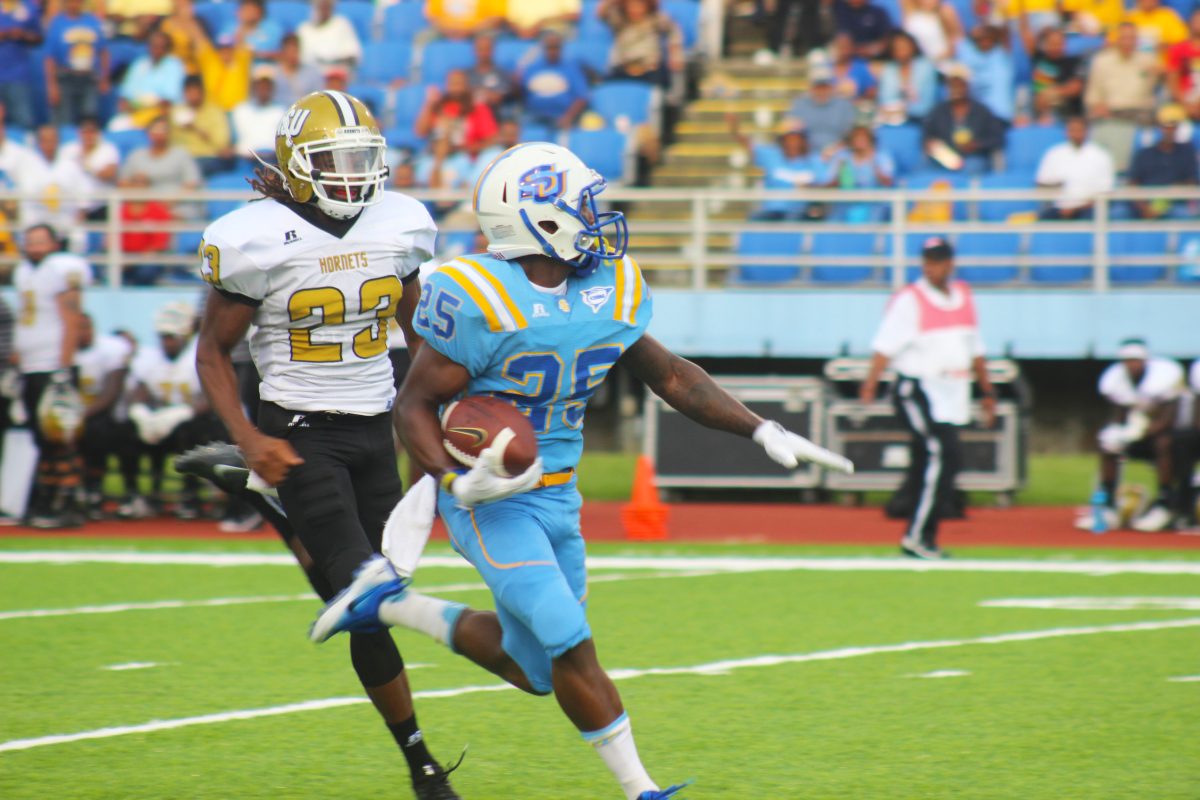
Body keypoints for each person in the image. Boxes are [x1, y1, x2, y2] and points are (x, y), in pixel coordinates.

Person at [307, 141, 854, 800]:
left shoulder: (608, 286)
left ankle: (392, 602)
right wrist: (455, 481)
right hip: (492, 499)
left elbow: (673, 376)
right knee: (570, 640)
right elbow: (416, 405)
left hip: (559, 498)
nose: (597, 215)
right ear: (538, 218)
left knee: (535, 667)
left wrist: (762, 428)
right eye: (582, 204)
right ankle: (643, 791)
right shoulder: (478, 294)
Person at [193, 90, 461, 800]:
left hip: (374, 421)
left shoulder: (402, 223)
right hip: (299, 429)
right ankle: (425, 760)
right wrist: (249, 439)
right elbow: (214, 354)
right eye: (332, 162)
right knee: (368, 590)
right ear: (298, 167)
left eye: (360, 160)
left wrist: (445, 401)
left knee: (359, 605)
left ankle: (417, 762)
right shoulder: (254, 238)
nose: (350, 176)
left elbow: (420, 328)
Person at [861, 237, 994, 559]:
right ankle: (919, 536)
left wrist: (987, 391)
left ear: (949, 263)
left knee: (930, 460)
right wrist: (870, 384)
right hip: (916, 389)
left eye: (936, 261)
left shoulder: (963, 295)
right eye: (926, 261)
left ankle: (917, 531)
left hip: (951, 393)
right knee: (942, 453)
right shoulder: (911, 299)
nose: (929, 267)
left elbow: (974, 348)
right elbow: (885, 345)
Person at [12, 224, 90, 528]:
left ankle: (69, 501)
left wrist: (64, 368)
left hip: (53, 366)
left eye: (40, 241)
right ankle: (47, 498)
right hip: (31, 365)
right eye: (30, 241)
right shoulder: (23, 272)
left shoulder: (60, 270)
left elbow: (72, 319)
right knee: (41, 438)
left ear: (54, 244)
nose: (34, 247)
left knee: (60, 438)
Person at [1074, 339, 1189, 532]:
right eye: (1127, 361)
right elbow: (1119, 415)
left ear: (1145, 361)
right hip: (1139, 434)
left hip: (1174, 437)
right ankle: (1108, 504)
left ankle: (1164, 503)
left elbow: (1170, 418)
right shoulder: (1116, 381)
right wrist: (1119, 433)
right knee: (1109, 444)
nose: (1132, 365)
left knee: (1164, 443)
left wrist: (1142, 431)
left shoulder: (1164, 378)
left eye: (1135, 360)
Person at [125, 302, 224, 520]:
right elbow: (138, 391)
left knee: (189, 432)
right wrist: (140, 412)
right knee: (127, 430)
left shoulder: (198, 355)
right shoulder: (150, 357)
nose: (167, 342)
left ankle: (190, 494)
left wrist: (183, 413)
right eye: (163, 337)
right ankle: (139, 493)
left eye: (171, 337)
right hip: (160, 421)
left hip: (195, 422)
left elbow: (210, 396)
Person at [74, 313, 136, 519]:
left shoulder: (110, 349)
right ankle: (68, 489)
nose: (83, 332)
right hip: (73, 417)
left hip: (110, 419)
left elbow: (111, 393)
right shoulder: (65, 352)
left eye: (86, 327)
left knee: (99, 430)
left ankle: (96, 488)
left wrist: (81, 416)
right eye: (78, 328)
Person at [1086, 22, 1161, 170]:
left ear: (1137, 41)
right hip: (1112, 115)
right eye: (1124, 38)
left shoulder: (1148, 60)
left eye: (1132, 38)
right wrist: (1097, 106)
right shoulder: (1102, 61)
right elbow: (1093, 95)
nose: (1127, 42)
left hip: (1141, 115)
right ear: (1117, 40)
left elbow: (1155, 89)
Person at [728, 115, 823, 220]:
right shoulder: (771, 155)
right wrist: (734, 129)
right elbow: (747, 144)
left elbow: (826, 184)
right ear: (782, 140)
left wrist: (810, 187)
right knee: (755, 220)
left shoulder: (814, 160)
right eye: (788, 139)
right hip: (771, 210)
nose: (792, 143)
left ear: (803, 140)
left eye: (796, 138)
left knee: (792, 222)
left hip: (799, 212)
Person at [921, 66, 1005, 174]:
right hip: (945, 158)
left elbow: (997, 138)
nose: (956, 88)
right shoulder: (938, 111)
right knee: (924, 169)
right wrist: (930, 144)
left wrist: (977, 145)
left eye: (960, 84)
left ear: (967, 86)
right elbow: (927, 135)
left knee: (972, 168)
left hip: (973, 157)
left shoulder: (981, 111)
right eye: (952, 85)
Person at [43, 0, 109, 127]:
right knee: (64, 120)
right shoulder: (58, 23)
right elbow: (50, 58)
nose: (74, 5)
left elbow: (103, 52)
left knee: (89, 118)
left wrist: (104, 78)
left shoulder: (92, 22)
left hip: (88, 77)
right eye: (71, 2)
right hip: (66, 77)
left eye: (77, 2)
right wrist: (52, 86)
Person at [1035, 115, 1114, 220]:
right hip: (1059, 207)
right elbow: (1041, 183)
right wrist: (1056, 186)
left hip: (1088, 209)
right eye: (1072, 130)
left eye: (1080, 130)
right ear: (1066, 132)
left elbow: (1106, 191)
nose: (1076, 134)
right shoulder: (1053, 153)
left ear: (1087, 131)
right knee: (1043, 218)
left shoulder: (1101, 155)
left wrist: (1075, 208)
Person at [1128, 104, 1198, 219]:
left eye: (1173, 127)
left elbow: (1191, 182)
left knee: (1183, 214)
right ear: (1159, 128)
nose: (1169, 131)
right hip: (1146, 204)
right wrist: (1145, 208)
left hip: (1175, 203)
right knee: (1121, 212)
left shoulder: (1187, 152)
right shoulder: (1144, 154)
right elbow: (1132, 183)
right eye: (1166, 126)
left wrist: (1163, 203)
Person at [517, 31, 590, 130]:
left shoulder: (572, 69)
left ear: (561, 48)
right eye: (549, 47)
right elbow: (521, 93)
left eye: (556, 47)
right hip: (534, 117)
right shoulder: (531, 68)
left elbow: (581, 97)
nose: (552, 51)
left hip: (561, 117)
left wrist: (568, 117)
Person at [600, 0, 684, 85]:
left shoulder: (655, 18)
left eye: (640, 4)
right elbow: (601, 14)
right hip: (624, 70)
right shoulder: (619, 20)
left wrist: (675, 52)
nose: (635, 9)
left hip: (650, 70)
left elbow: (674, 31)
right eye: (631, 4)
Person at [823, 124, 895, 222]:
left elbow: (888, 182)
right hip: (845, 205)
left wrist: (872, 162)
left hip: (873, 205)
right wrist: (840, 173)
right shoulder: (842, 157)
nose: (860, 140)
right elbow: (830, 184)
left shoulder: (881, 156)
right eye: (856, 137)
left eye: (863, 137)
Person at [415, 68, 499, 148]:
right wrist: (429, 104)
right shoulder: (439, 106)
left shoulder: (478, 107)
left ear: (467, 85)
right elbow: (420, 132)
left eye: (459, 83)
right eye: (453, 84)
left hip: (467, 156)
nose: (456, 88)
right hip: (438, 153)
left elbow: (491, 138)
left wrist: (469, 147)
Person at [58, 116, 121, 221]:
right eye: (85, 132)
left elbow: (109, 174)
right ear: (79, 133)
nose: (88, 136)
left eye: (92, 132)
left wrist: (87, 166)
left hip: (100, 204)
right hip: (72, 203)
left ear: (98, 133)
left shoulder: (108, 149)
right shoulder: (67, 150)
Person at [1018, 22, 1084, 120]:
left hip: (1063, 113)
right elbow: (1026, 37)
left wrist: (1051, 94)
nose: (1055, 47)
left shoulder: (1073, 62)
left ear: (1064, 44)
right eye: (1052, 43)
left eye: (1058, 44)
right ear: (1046, 44)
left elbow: (1076, 87)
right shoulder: (1040, 58)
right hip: (1039, 111)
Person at [171, 75, 234, 177]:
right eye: (189, 92)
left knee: (194, 169)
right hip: (181, 158)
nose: (193, 96)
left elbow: (222, 145)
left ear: (202, 92)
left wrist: (196, 128)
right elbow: (171, 141)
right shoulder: (176, 111)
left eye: (195, 92)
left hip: (207, 157)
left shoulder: (215, 112)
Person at [787, 66, 857, 154]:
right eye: (818, 86)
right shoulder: (800, 104)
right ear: (811, 88)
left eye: (825, 86)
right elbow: (792, 133)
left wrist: (835, 149)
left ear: (831, 87)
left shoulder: (844, 105)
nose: (821, 90)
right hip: (806, 153)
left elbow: (850, 135)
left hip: (839, 152)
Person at [118, 29, 187, 118]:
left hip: (162, 114)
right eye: (154, 46)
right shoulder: (139, 64)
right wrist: (133, 106)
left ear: (167, 48)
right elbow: (125, 97)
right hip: (136, 112)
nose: (157, 49)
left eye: (161, 46)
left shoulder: (174, 65)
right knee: (117, 125)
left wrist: (146, 105)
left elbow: (169, 100)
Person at [955, 24, 1015, 124]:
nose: (984, 41)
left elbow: (1005, 32)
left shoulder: (1001, 55)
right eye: (980, 39)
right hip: (977, 118)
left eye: (988, 38)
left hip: (999, 116)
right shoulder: (968, 56)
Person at [876, 30, 937, 123]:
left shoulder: (926, 67)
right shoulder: (889, 70)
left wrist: (905, 110)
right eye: (897, 47)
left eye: (904, 46)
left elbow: (927, 103)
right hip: (892, 120)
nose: (901, 49)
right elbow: (885, 100)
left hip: (922, 120)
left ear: (913, 46)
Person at [0, 0, 43, 132]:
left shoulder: (29, 6)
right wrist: (5, 34)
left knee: (23, 123)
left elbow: (39, 38)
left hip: (19, 75)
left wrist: (23, 34)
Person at [231, 66, 287, 159]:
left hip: (272, 159)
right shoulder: (240, 110)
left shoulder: (281, 111)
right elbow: (233, 142)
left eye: (266, 85)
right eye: (260, 85)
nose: (263, 89)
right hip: (244, 159)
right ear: (254, 87)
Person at [298, 0, 363, 73]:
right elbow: (301, 60)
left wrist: (333, 63)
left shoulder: (342, 24)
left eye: (327, 5)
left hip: (338, 76)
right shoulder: (304, 29)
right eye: (321, 5)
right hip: (313, 77)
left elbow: (353, 56)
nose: (324, 8)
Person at [1166, 9, 1200, 119]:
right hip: (1183, 102)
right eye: (1196, 20)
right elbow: (1172, 80)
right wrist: (1186, 104)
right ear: (1190, 23)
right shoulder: (1178, 49)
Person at [276, 33, 324, 102]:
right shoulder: (275, 74)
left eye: (295, 51)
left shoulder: (311, 72)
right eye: (290, 51)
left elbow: (319, 96)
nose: (293, 55)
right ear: (283, 52)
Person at [424, 0, 505, 40]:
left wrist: (471, 30)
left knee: (488, 39)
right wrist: (447, 29)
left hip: (478, 31)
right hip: (445, 30)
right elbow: (432, 15)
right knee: (422, 38)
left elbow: (496, 17)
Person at [506, 0, 581, 39]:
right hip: (521, 34)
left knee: (551, 39)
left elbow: (574, 15)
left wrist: (542, 23)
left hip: (555, 33)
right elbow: (511, 19)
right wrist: (521, 32)